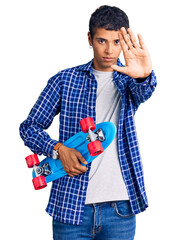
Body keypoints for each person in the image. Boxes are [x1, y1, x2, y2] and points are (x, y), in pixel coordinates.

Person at [19, 5, 157, 240]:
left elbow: (144, 90)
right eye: (102, 41)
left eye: (116, 42)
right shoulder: (64, 80)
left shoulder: (128, 81)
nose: (110, 50)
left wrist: (143, 75)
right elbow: (29, 127)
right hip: (72, 208)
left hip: (120, 209)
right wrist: (58, 149)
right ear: (90, 39)